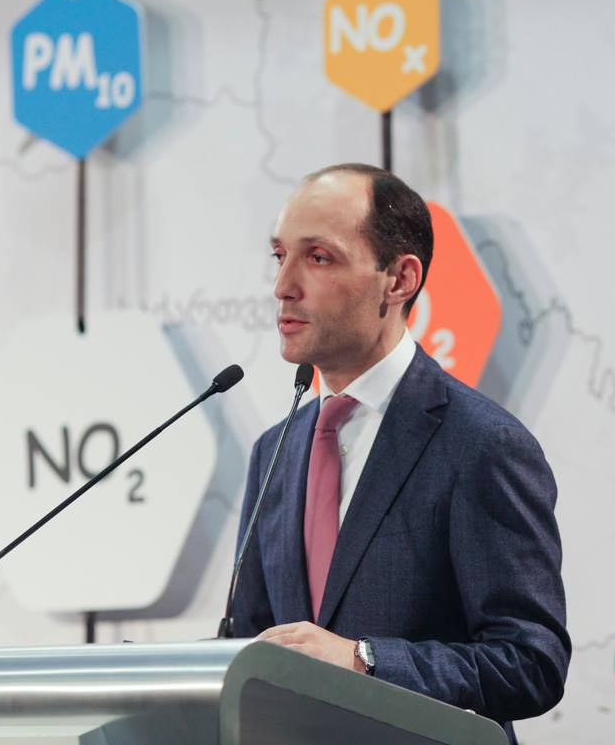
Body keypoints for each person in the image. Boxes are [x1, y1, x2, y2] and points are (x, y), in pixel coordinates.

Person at [230, 163, 570, 740]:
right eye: (280, 255)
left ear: (399, 279)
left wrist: (364, 659)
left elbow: (531, 663)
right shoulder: (274, 451)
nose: (283, 285)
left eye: (319, 257)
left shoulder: (482, 443)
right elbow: (250, 646)